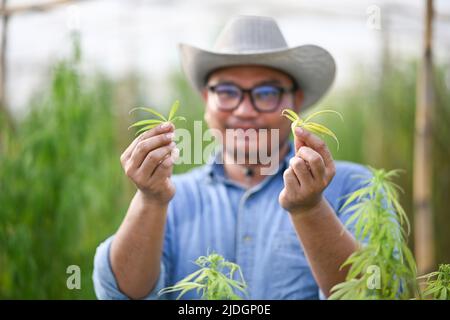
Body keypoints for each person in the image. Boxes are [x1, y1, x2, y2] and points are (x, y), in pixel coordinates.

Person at [93, 15, 373, 300]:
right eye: (227, 92)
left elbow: (375, 291)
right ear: (206, 100)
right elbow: (121, 295)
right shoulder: (172, 199)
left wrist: (311, 210)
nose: (244, 111)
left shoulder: (354, 186)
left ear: (295, 101)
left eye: (266, 93)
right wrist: (150, 200)